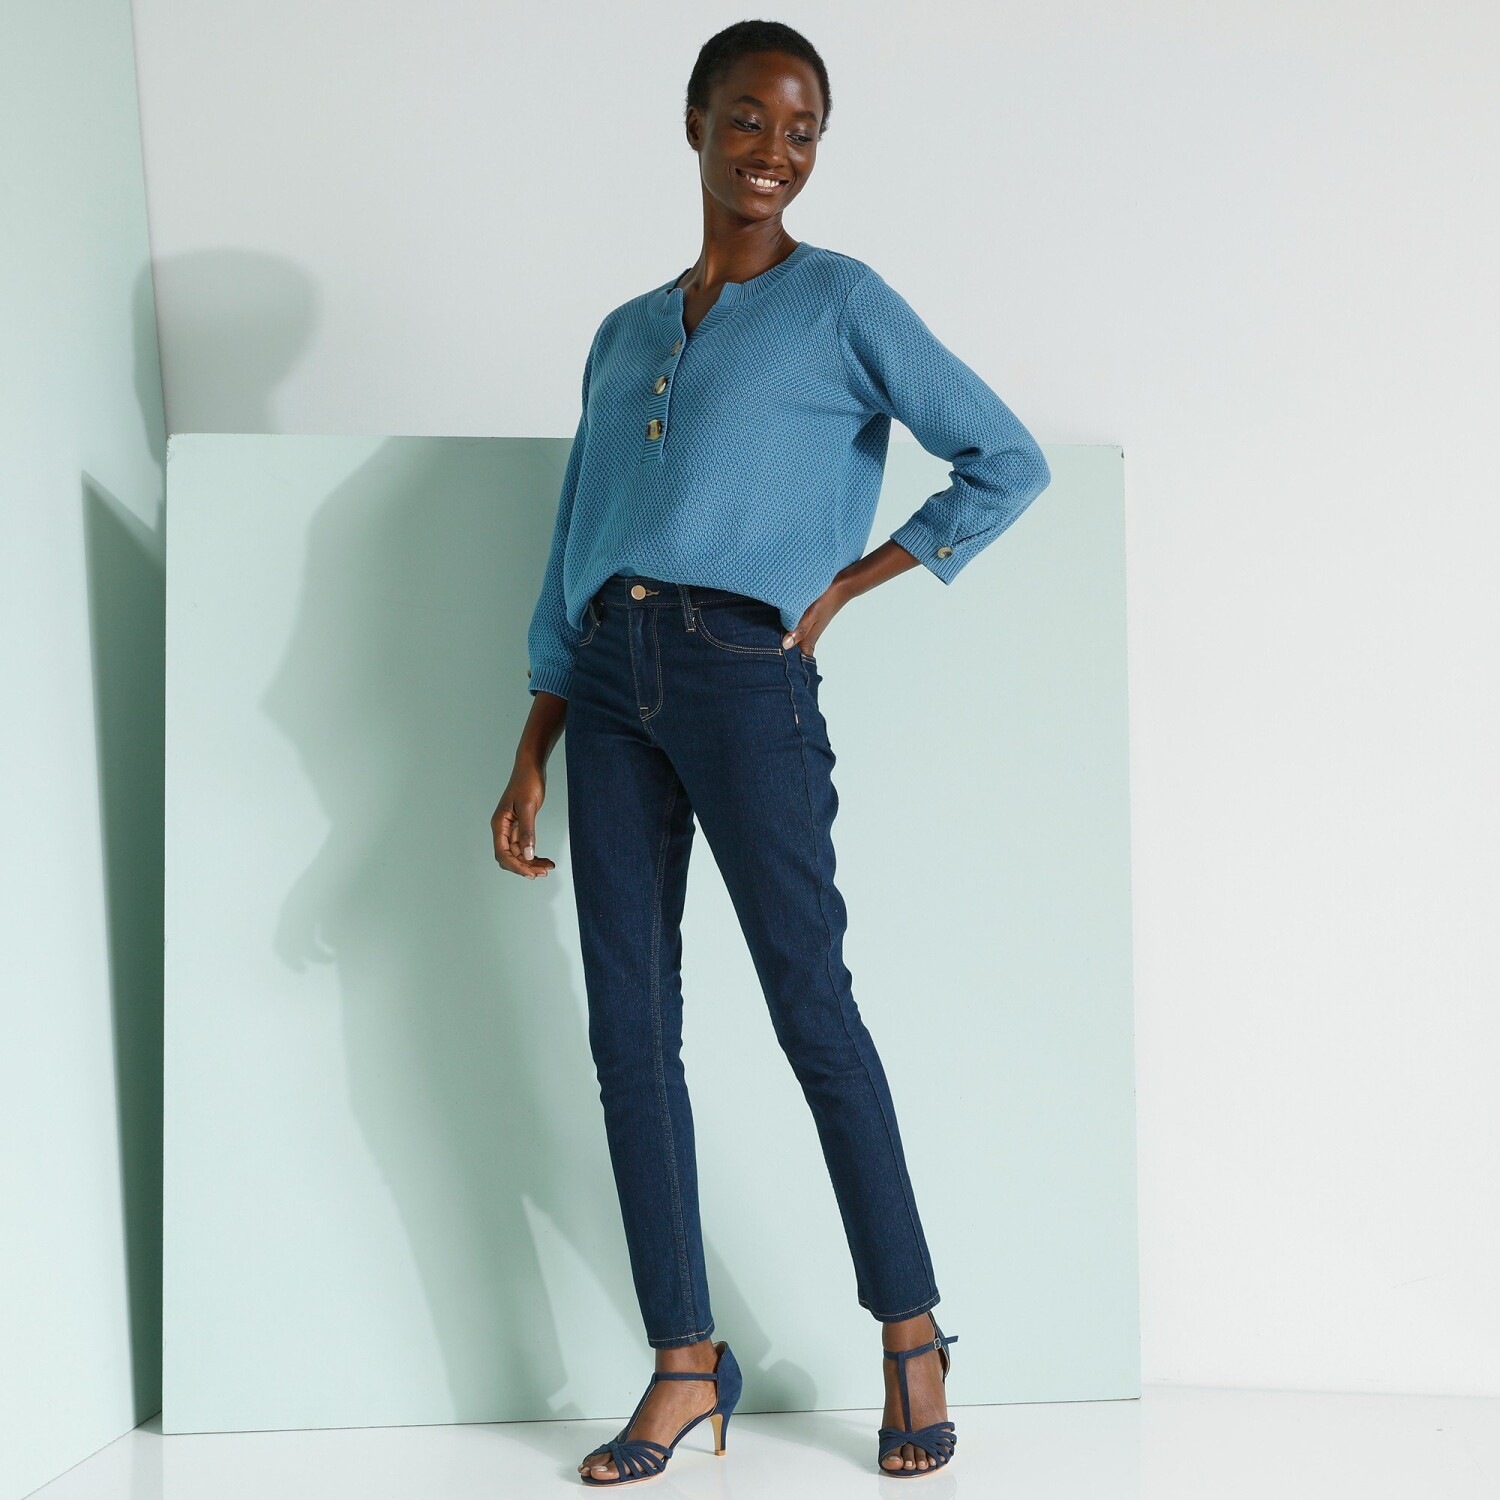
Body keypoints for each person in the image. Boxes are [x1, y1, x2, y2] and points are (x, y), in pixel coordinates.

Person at [490, 20, 1051, 1484]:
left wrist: (853, 582)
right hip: (608, 680)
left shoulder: (844, 302)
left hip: (747, 679)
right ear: (694, 123)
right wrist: (537, 734)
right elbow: (575, 537)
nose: (774, 151)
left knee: (812, 1007)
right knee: (629, 1033)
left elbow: (1006, 458)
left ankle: (912, 1335)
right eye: (749, 119)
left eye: (802, 130)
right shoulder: (625, 332)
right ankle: (686, 1363)